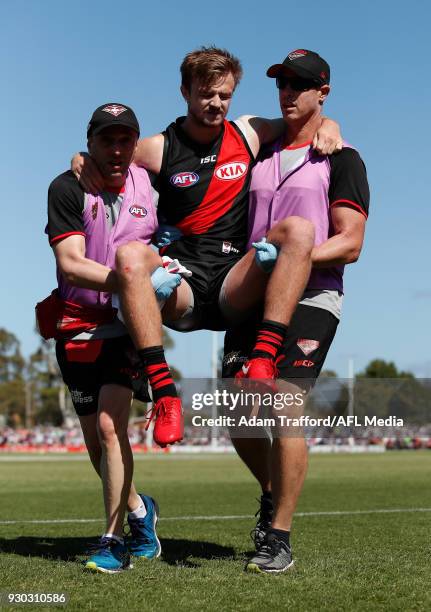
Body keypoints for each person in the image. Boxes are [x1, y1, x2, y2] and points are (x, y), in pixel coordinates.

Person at [73, 47, 342, 361]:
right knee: (132, 257)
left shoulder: (250, 132)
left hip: (235, 286)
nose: (216, 104)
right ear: (185, 91)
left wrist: (330, 125)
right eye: (206, 94)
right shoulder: (157, 148)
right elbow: (109, 158)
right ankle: (163, 393)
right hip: (183, 290)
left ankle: (263, 361)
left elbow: (303, 123)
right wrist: (80, 159)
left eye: (224, 96)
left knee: (298, 230)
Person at [221, 49, 369, 573]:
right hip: (254, 294)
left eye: (301, 85)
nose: (288, 92)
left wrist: (293, 254)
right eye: (282, 82)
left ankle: (278, 536)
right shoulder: (259, 153)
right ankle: (271, 493)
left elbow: (350, 243)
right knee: (237, 418)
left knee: (284, 404)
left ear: (322, 92)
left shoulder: (342, 158)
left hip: (312, 295)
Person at [41, 103, 184, 573]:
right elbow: (71, 264)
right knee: (97, 447)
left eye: (126, 140)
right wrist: (129, 279)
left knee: (109, 426)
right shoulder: (67, 187)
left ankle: (112, 540)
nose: (117, 149)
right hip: (77, 325)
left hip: (126, 326)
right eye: (107, 140)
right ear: (92, 143)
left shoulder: (153, 183)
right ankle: (142, 513)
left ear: (136, 144)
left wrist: (145, 284)